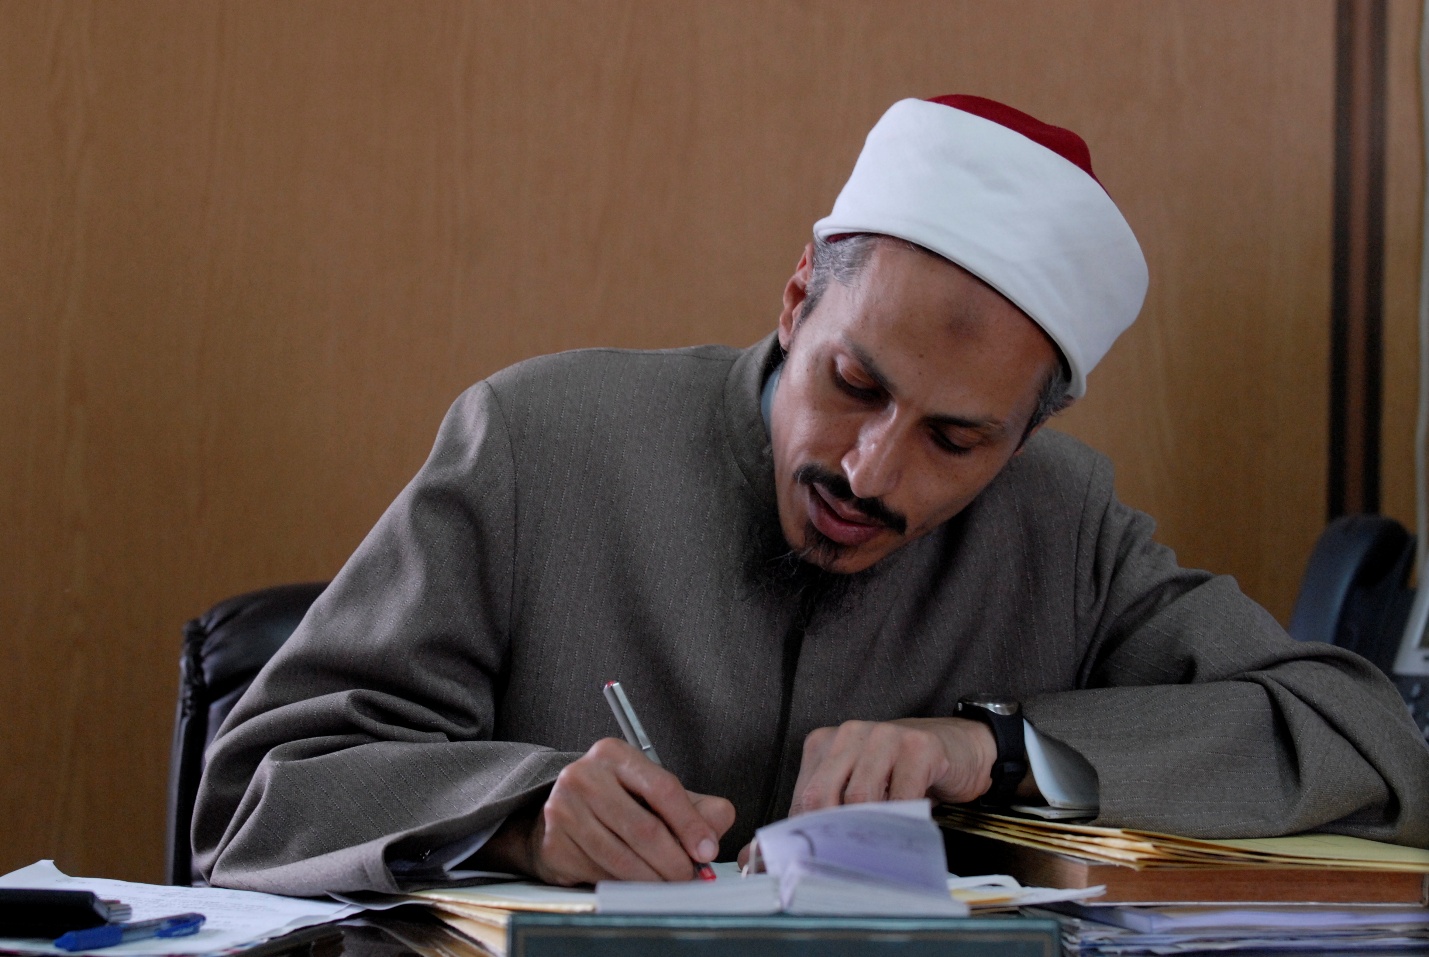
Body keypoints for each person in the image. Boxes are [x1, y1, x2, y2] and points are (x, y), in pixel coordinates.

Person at [193, 95, 1429, 896]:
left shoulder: (1063, 526)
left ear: (1023, 441)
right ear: (797, 300)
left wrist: (995, 747)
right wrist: (517, 818)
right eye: (854, 384)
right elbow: (256, 797)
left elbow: (1367, 746)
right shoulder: (537, 442)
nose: (870, 471)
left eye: (956, 439)